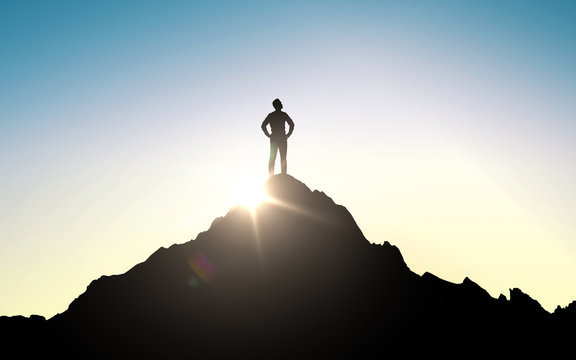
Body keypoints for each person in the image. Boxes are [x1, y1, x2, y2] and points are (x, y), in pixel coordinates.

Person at [261, 98, 295, 176]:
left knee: (274, 157)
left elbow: (263, 125)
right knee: (281, 157)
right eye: (280, 103)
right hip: (281, 138)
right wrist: (288, 134)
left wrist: (268, 134)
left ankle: (273, 175)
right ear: (277, 105)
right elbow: (292, 124)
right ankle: (282, 175)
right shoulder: (283, 114)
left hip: (275, 138)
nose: (281, 104)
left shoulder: (272, 115)